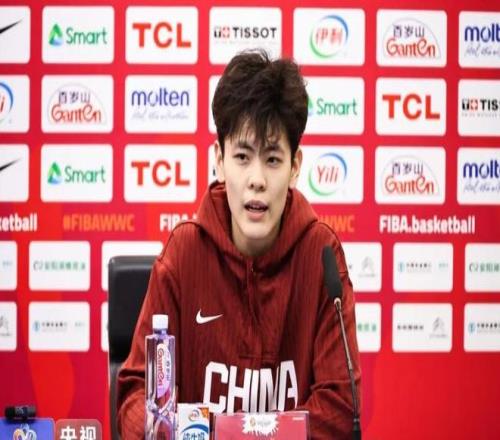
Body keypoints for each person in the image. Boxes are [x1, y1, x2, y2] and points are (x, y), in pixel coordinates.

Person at [117, 50, 361, 439]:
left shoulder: (320, 255)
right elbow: (135, 396)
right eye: (242, 157)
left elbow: (341, 407)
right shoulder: (184, 254)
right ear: (219, 160)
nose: (256, 179)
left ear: (295, 167)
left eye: (273, 160)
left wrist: (240, 433)